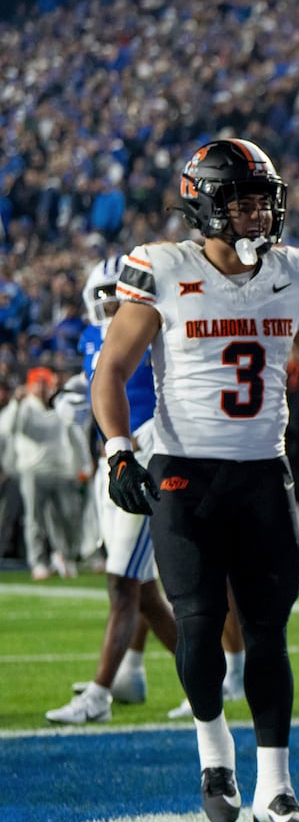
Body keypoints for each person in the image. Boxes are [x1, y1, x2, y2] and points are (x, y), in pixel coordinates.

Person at [91, 138, 299, 822]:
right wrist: (119, 451)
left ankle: (278, 788)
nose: (257, 214)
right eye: (240, 201)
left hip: (264, 475)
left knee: (268, 635)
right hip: (184, 473)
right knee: (200, 627)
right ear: (204, 205)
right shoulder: (162, 268)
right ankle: (214, 753)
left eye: (264, 200)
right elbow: (110, 369)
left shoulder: (294, 272)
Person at [45, 257, 180, 724]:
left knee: (123, 583)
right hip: (115, 463)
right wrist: (71, 396)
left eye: (114, 290)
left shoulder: (155, 326)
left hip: (145, 457)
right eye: (100, 291)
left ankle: (101, 694)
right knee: (140, 589)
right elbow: (100, 380)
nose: (108, 300)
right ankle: (195, 673)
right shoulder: (89, 337)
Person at [1, 366, 85, 579]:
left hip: (61, 470)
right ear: (29, 386)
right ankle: (38, 562)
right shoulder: (24, 407)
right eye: (36, 383)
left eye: (44, 383)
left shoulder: (60, 406)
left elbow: (75, 434)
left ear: (51, 384)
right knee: (34, 520)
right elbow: (8, 429)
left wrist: (83, 464)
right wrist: (15, 403)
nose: (40, 387)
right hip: (33, 470)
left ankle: (64, 556)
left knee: (69, 518)